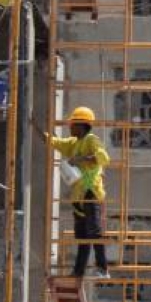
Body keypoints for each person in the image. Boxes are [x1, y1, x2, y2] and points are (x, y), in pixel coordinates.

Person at [50, 105, 111, 281]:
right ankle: (78, 272)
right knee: (82, 236)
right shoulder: (74, 143)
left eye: (73, 124)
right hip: (78, 196)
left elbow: (104, 158)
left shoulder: (91, 140)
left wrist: (81, 159)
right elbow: (57, 142)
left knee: (95, 231)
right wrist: (45, 134)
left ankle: (102, 267)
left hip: (91, 192)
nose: (70, 127)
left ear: (82, 125)